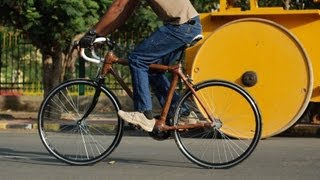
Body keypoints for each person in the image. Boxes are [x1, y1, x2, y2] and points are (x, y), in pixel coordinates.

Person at [79, 0, 202, 132]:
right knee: (153, 69)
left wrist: (92, 33)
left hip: (180, 26)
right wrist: (101, 34)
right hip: (188, 26)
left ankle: (144, 114)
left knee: (137, 59)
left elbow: (118, 7)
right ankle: (182, 113)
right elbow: (125, 11)